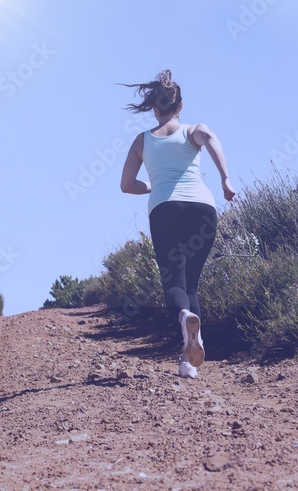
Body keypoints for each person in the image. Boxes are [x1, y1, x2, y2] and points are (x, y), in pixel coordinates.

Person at [119, 70, 236, 379]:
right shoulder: (192, 130)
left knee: (174, 283)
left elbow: (126, 185)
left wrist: (153, 185)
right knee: (191, 284)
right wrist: (225, 178)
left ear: (154, 109)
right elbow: (209, 138)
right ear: (179, 106)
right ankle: (188, 361)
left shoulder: (141, 141)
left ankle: (184, 318)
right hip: (202, 209)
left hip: (165, 211)